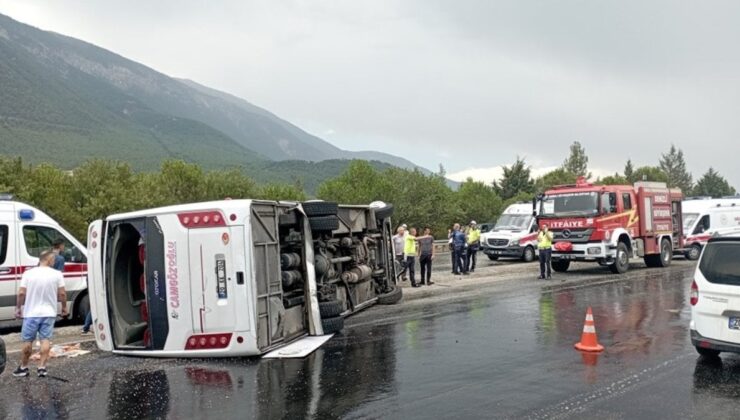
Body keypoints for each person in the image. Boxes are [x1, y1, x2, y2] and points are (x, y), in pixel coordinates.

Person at [13, 250, 67, 378]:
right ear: (48, 259)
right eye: (53, 259)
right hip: (49, 313)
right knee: (45, 340)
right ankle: (42, 368)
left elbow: (21, 293)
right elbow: (63, 294)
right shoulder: (57, 274)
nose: (54, 261)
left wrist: (18, 308)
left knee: (28, 341)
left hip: (31, 313)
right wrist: (64, 307)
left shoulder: (28, 274)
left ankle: (24, 367)